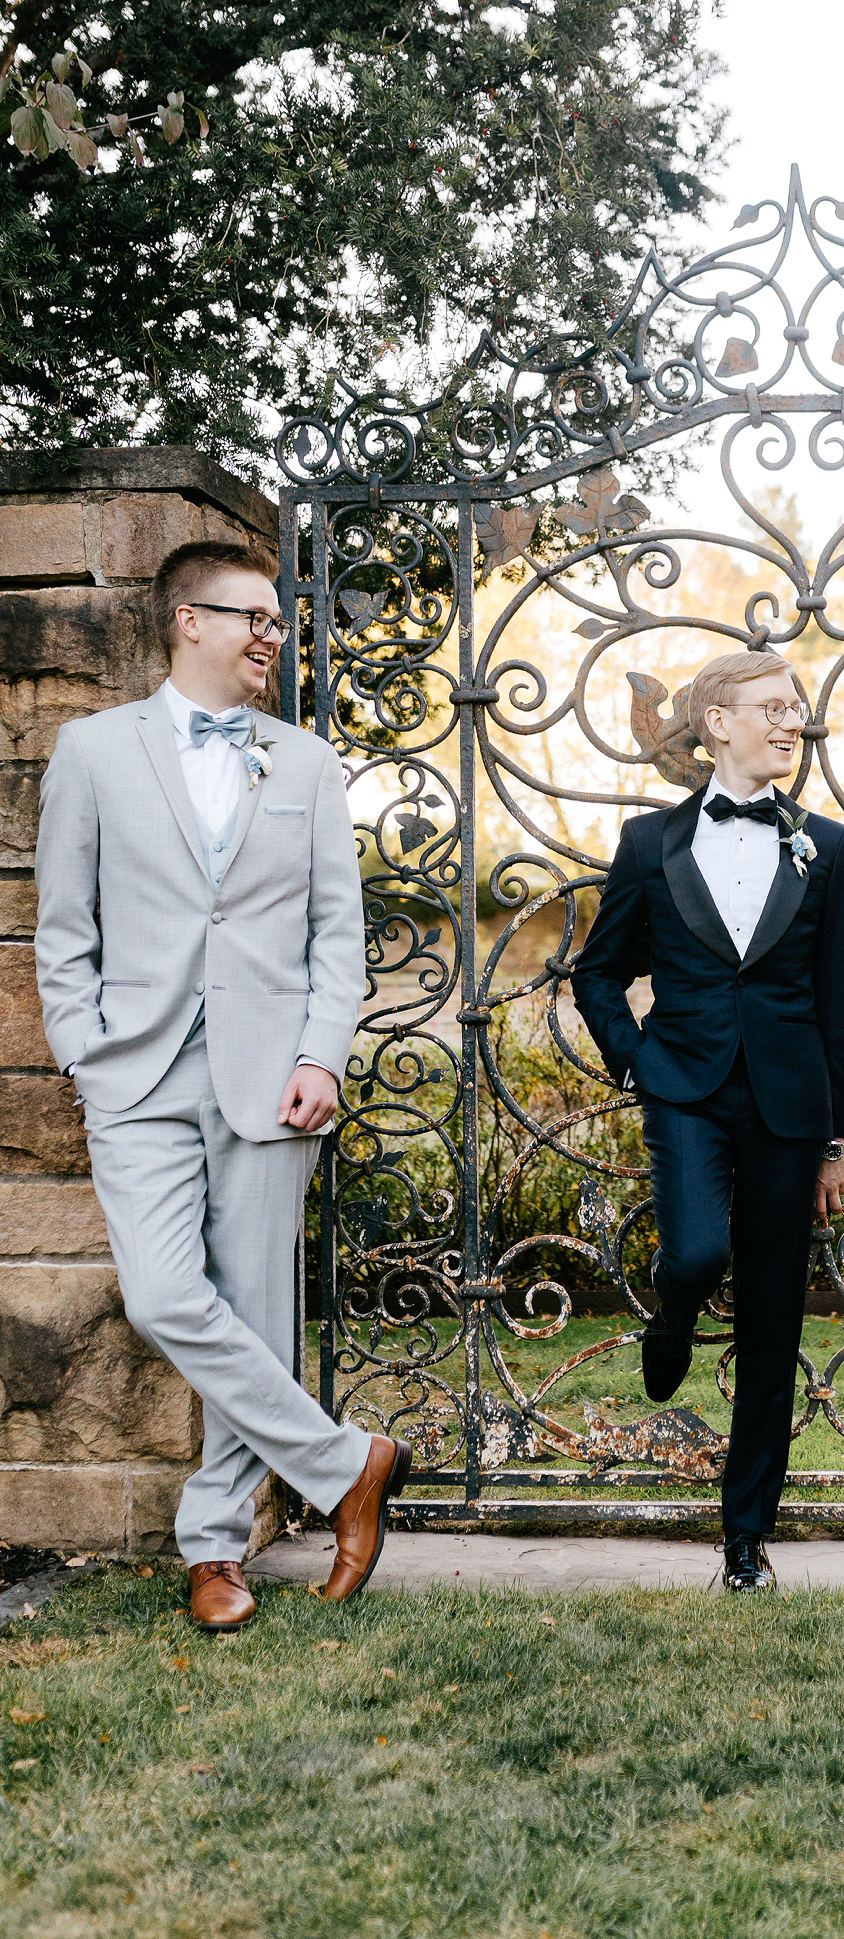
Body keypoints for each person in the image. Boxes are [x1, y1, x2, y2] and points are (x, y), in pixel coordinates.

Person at [33, 540, 410, 1631]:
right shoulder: (93, 750)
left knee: (256, 1312)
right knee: (163, 1296)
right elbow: (64, 931)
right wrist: (84, 1054)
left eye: (279, 623)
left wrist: (320, 1055)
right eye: (251, 616)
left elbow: (338, 935)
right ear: (184, 620)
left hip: (271, 1078)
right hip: (135, 1071)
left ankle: (213, 1551)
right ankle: (347, 1464)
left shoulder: (304, 763)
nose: (271, 638)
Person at [572, 649, 844, 1592]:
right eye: (774, 708)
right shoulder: (649, 843)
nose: (792, 723)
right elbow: (597, 971)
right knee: (696, 1252)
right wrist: (637, 1058)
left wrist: (835, 1139)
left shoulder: (826, 845)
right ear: (716, 723)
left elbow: (832, 1007)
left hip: (788, 1102)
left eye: (798, 710)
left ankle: (744, 1536)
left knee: (775, 1314)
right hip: (685, 1088)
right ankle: (674, 1312)